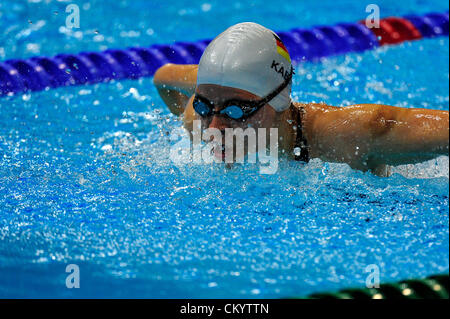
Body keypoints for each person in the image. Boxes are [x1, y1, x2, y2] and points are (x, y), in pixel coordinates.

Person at [153, 22, 449, 176]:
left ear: (278, 101)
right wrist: (217, 90)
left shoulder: (350, 136)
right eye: (205, 104)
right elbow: (162, 77)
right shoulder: (200, 120)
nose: (213, 131)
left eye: (236, 110)